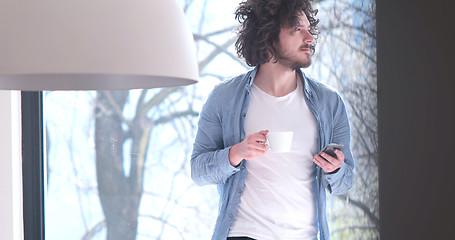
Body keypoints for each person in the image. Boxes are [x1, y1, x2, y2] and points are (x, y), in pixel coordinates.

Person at [190, 0, 355, 239]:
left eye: (310, 29)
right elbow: (198, 170)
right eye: (298, 29)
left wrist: (336, 169)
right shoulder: (223, 98)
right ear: (268, 34)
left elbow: (345, 181)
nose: (310, 38)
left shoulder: (330, 103)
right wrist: (236, 153)